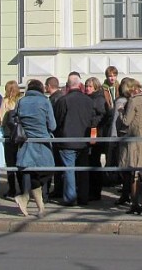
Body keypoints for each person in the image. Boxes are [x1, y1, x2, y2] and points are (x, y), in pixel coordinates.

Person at [14, 79, 57, 216]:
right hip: (42, 143)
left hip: (26, 142)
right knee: (46, 171)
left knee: (31, 172)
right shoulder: (45, 101)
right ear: (41, 89)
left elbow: (15, 119)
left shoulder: (21, 101)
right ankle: (27, 198)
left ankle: (38, 206)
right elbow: (52, 125)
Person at [53, 75, 96, 206]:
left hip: (67, 140)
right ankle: (83, 197)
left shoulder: (63, 100)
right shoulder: (88, 100)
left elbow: (57, 121)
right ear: (80, 85)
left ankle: (70, 198)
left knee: (69, 170)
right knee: (83, 171)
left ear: (67, 85)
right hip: (84, 140)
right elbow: (93, 120)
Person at [119, 78, 142, 214]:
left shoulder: (133, 101)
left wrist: (121, 111)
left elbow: (126, 121)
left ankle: (134, 204)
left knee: (133, 173)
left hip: (135, 140)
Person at [85, 76, 108, 201]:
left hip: (96, 134)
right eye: (86, 86)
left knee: (94, 161)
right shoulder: (89, 98)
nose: (87, 88)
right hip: (90, 133)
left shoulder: (98, 99)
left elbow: (102, 116)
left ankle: (95, 190)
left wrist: (92, 123)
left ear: (95, 87)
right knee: (90, 161)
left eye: (90, 86)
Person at [110, 77, 133, 206]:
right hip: (130, 137)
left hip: (123, 137)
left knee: (125, 167)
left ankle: (126, 194)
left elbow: (116, 122)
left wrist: (113, 139)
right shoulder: (131, 100)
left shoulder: (121, 101)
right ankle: (128, 192)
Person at [0, 80, 23, 199]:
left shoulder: (6, 101)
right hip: (21, 135)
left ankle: (12, 189)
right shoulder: (21, 100)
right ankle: (23, 188)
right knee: (20, 162)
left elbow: (1, 118)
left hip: (9, 135)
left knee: (10, 163)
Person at [44, 76, 64, 199]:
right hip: (60, 134)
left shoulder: (53, 100)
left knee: (55, 163)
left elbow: (52, 119)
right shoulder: (62, 97)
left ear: (49, 86)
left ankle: (58, 189)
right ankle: (59, 188)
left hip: (55, 135)